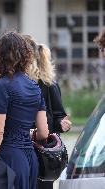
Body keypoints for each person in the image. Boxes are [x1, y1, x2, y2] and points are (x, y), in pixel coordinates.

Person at [0, 31, 49, 189]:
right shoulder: (34, 86)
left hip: (9, 156)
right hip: (30, 158)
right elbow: (44, 133)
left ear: (0, 56)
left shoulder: (1, 86)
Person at [26, 37, 72, 189]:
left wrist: (62, 124)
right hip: (24, 142)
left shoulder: (49, 84)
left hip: (43, 146)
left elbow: (58, 114)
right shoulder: (20, 83)